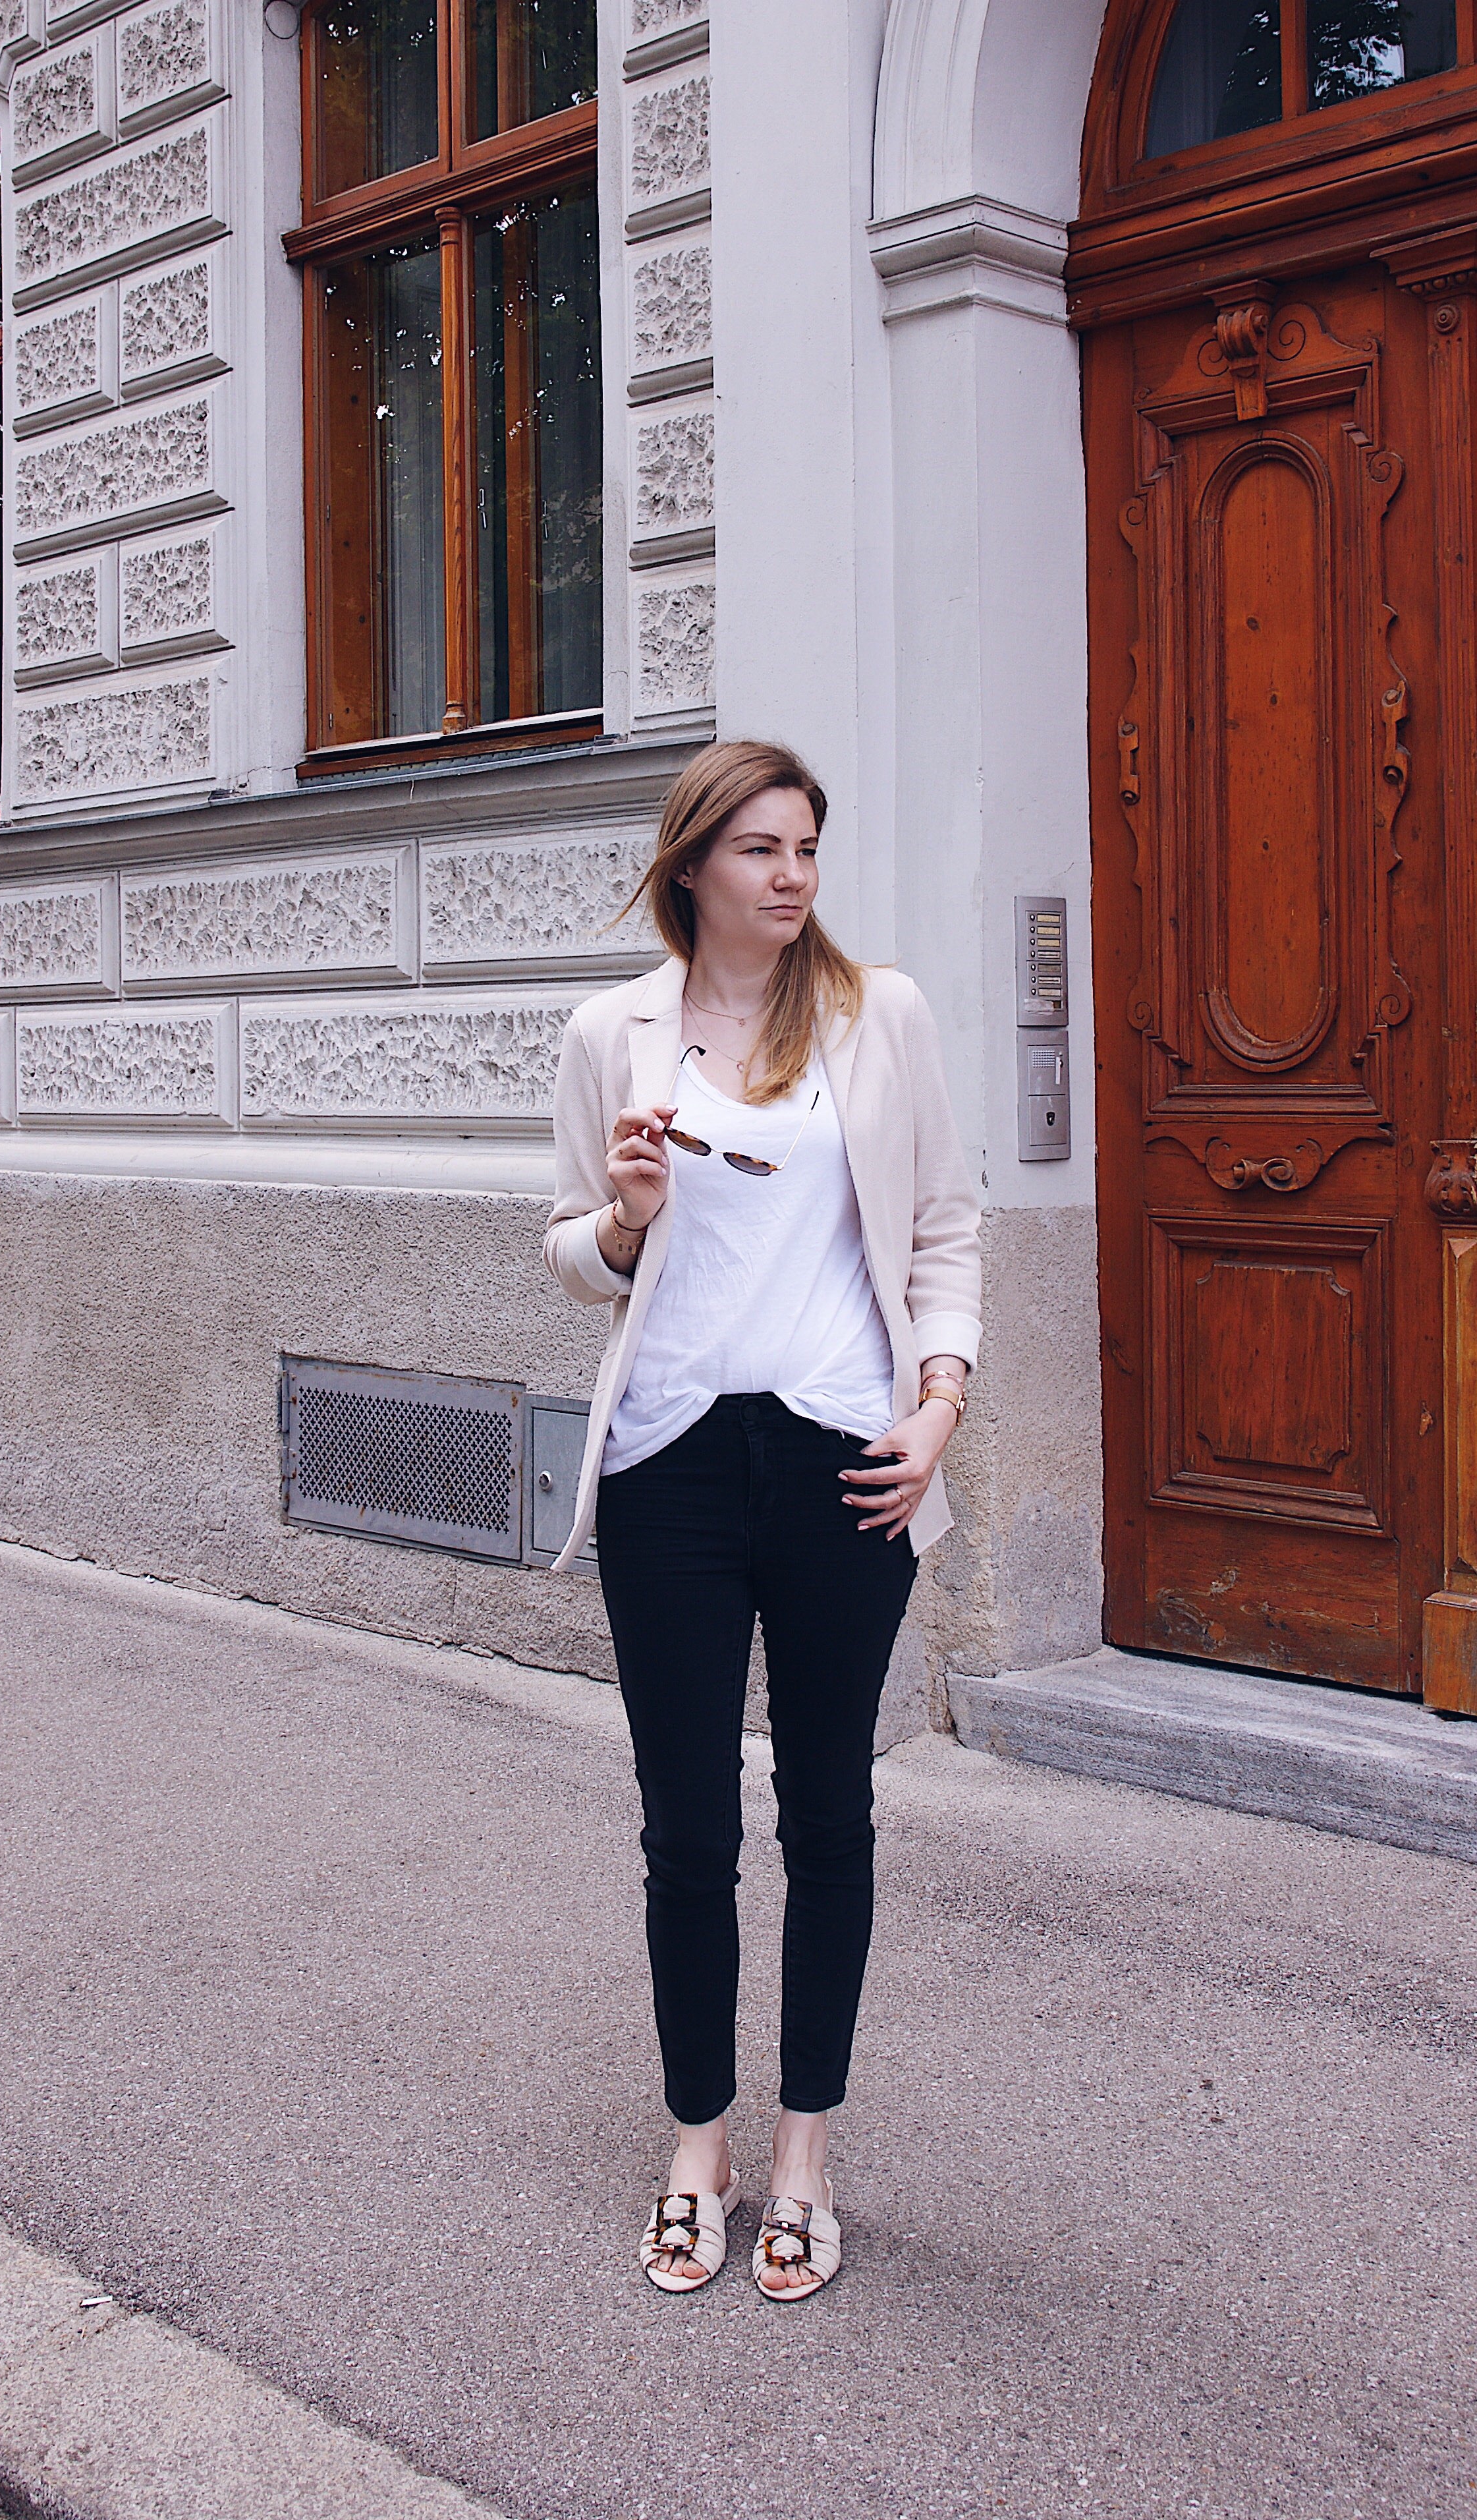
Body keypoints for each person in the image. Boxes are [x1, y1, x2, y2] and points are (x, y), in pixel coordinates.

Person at [543, 739, 982, 2301]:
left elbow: (943, 1224)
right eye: (759, 850)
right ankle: (696, 2145)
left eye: (806, 847)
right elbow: (572, 1251)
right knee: (684, 1828)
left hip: (840, 1459)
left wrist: (934, 1409)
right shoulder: (616, 1032)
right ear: (692, 868)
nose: (792, 875)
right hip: (667, 1460)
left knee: (829, 1818)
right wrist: (623, 1217)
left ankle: (802, 2152)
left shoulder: (882, 1018)